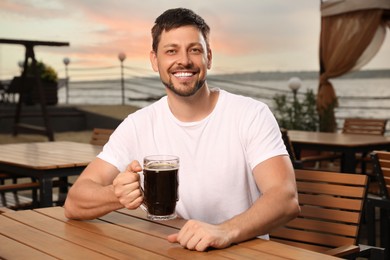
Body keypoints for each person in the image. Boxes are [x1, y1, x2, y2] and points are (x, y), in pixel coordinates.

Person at [64, 7, 300, 252]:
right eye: (171, 51)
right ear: (155, 60)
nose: (184, 60)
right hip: (170, 250)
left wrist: (224, 231)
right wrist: (116, 195)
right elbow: (74, 202)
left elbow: (286, 198)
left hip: (243, 252)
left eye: (194, 50)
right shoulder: (138, 123)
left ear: (208, 56)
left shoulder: (250, 114)